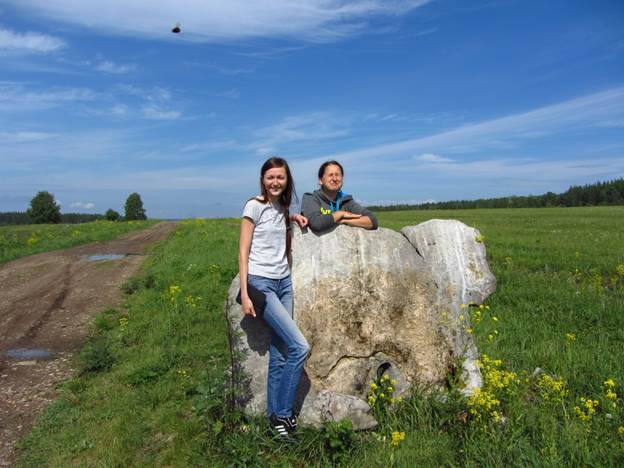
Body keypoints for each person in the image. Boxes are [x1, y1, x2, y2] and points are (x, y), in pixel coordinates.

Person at [238, 156, 310, 438]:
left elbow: (277, 222)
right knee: (300, 347)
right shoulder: (252, 206)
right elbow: (243, 251)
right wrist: (245, 293)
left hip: (284, 284)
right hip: (261, 285)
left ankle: (274, 420)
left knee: (281, 351)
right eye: (270, 177)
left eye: (280, 177)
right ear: (263, 180)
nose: (275, 182)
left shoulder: (282, 208)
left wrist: (293, 217)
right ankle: (284, 413)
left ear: (287, 180)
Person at [301, 160, 379, 233]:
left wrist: (344, 220)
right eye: (330, 175)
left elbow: (372, 221)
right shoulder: (311, 198)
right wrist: (340, 214)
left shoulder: (346, 201)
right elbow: (316, 224)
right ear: (320, 180)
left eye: (338, 175)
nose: (335, 179)